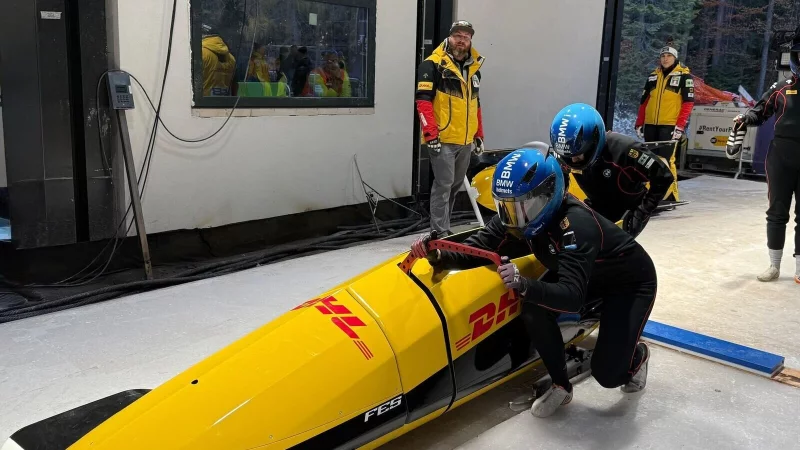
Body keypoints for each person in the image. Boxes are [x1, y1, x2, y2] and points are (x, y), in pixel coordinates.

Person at [410, 147, 657, 417]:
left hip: (628, 284)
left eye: (522, 207)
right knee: (534, 308)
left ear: (547, 195)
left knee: (608, 375)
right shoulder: (516, 217)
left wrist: (525, 283)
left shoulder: (576, 225)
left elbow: (572, 296)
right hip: (582, 273)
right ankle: (561, 385)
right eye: (507, 207)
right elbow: (479, 247)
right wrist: (439, 255)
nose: (514, 217)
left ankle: (637, 357)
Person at [732, 33, 800, 284]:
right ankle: (774, 266)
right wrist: (743, 119)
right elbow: (759, 112)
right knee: (776, 211)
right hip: (780, 156)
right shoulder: (780, 89)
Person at [550, 103, 673, 237]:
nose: (573, 161)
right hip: (596, 204)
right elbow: (561, 181)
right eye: (569, 156)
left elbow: (664, 176)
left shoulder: (626, 149)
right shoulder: (565, 155)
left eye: (579, 155)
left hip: (628, 210)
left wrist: (643, 211)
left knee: (612, 249)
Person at [415, 20, 486, 236]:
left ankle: (446, 228)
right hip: (442, 140)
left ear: (470, 40)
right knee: (443, 186)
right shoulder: (432, 65)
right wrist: (430, 134)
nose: (461, 40)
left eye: (466, 36)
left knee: (454, 186)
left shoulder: (474, 70)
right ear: (450, 37)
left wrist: (478, 134)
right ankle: (439, 233)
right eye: (458, 35)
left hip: (464, 141)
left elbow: (476, 104)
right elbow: (423, 101)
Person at [635, 43, 694, 196]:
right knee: (648, 159)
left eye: (669, 56)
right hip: (651, 125)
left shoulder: (684, 77)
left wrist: (680, 127)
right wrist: (639, 123)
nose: (665, 59)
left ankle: (671, 195)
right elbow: (644, 102)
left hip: (669, 126)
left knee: (667, 160)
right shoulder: (653, 76)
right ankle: (650, 192)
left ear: (675, 58)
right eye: (663, 56)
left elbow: (688, 104)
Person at [201, 25, 236, 97]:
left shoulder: (200, 53)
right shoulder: (231, 58)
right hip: (226, 104)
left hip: (202, 105)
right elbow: (235, 84)